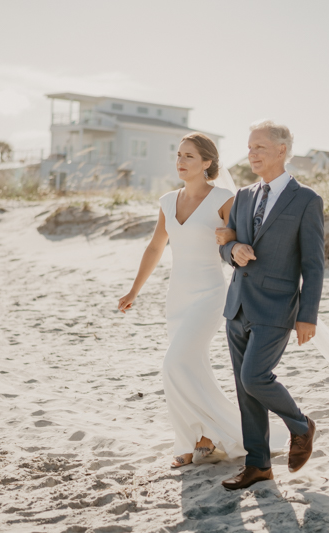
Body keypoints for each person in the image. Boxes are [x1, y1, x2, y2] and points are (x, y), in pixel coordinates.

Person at [118, 133, 253, 468]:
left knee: (173, 363)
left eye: (189, 156)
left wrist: (232, 239)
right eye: (179, 155)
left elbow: (239, 244)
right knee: (191, 367)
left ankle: (200, 438)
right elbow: (155, 247)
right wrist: (134, 290)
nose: (181, 161)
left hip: (210, 294)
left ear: (207, 162)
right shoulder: (167, 201)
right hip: (176, 296)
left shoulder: (224, 199)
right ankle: (199, 441)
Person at [215, 120, 325, 490]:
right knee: (245, 391)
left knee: (254, 377)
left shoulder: (307, 200)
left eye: (259, 147)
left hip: (277, 307)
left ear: (282, 150)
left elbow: (313, 264)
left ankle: (300, 425)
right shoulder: (244, 196)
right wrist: (233, 250)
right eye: (249, 147)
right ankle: (258, 465)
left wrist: (307, 316)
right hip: (238, 306)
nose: (252, 154)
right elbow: (225, 244)